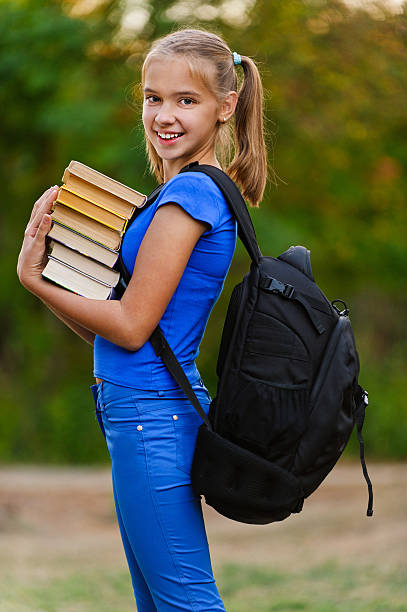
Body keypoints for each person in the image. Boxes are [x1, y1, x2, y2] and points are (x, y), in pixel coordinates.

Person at [17, 27, 268, 611]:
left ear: (225, 106)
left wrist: (32, 280)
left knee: (184, 603)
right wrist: (51, 284)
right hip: (140, 409)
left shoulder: (190, 200)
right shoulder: (175, 193)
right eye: (154, 98)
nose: (164, 115)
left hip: (151, 419)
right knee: (157, 603)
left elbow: (129, 326)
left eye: (187, 100)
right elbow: (128, 333)